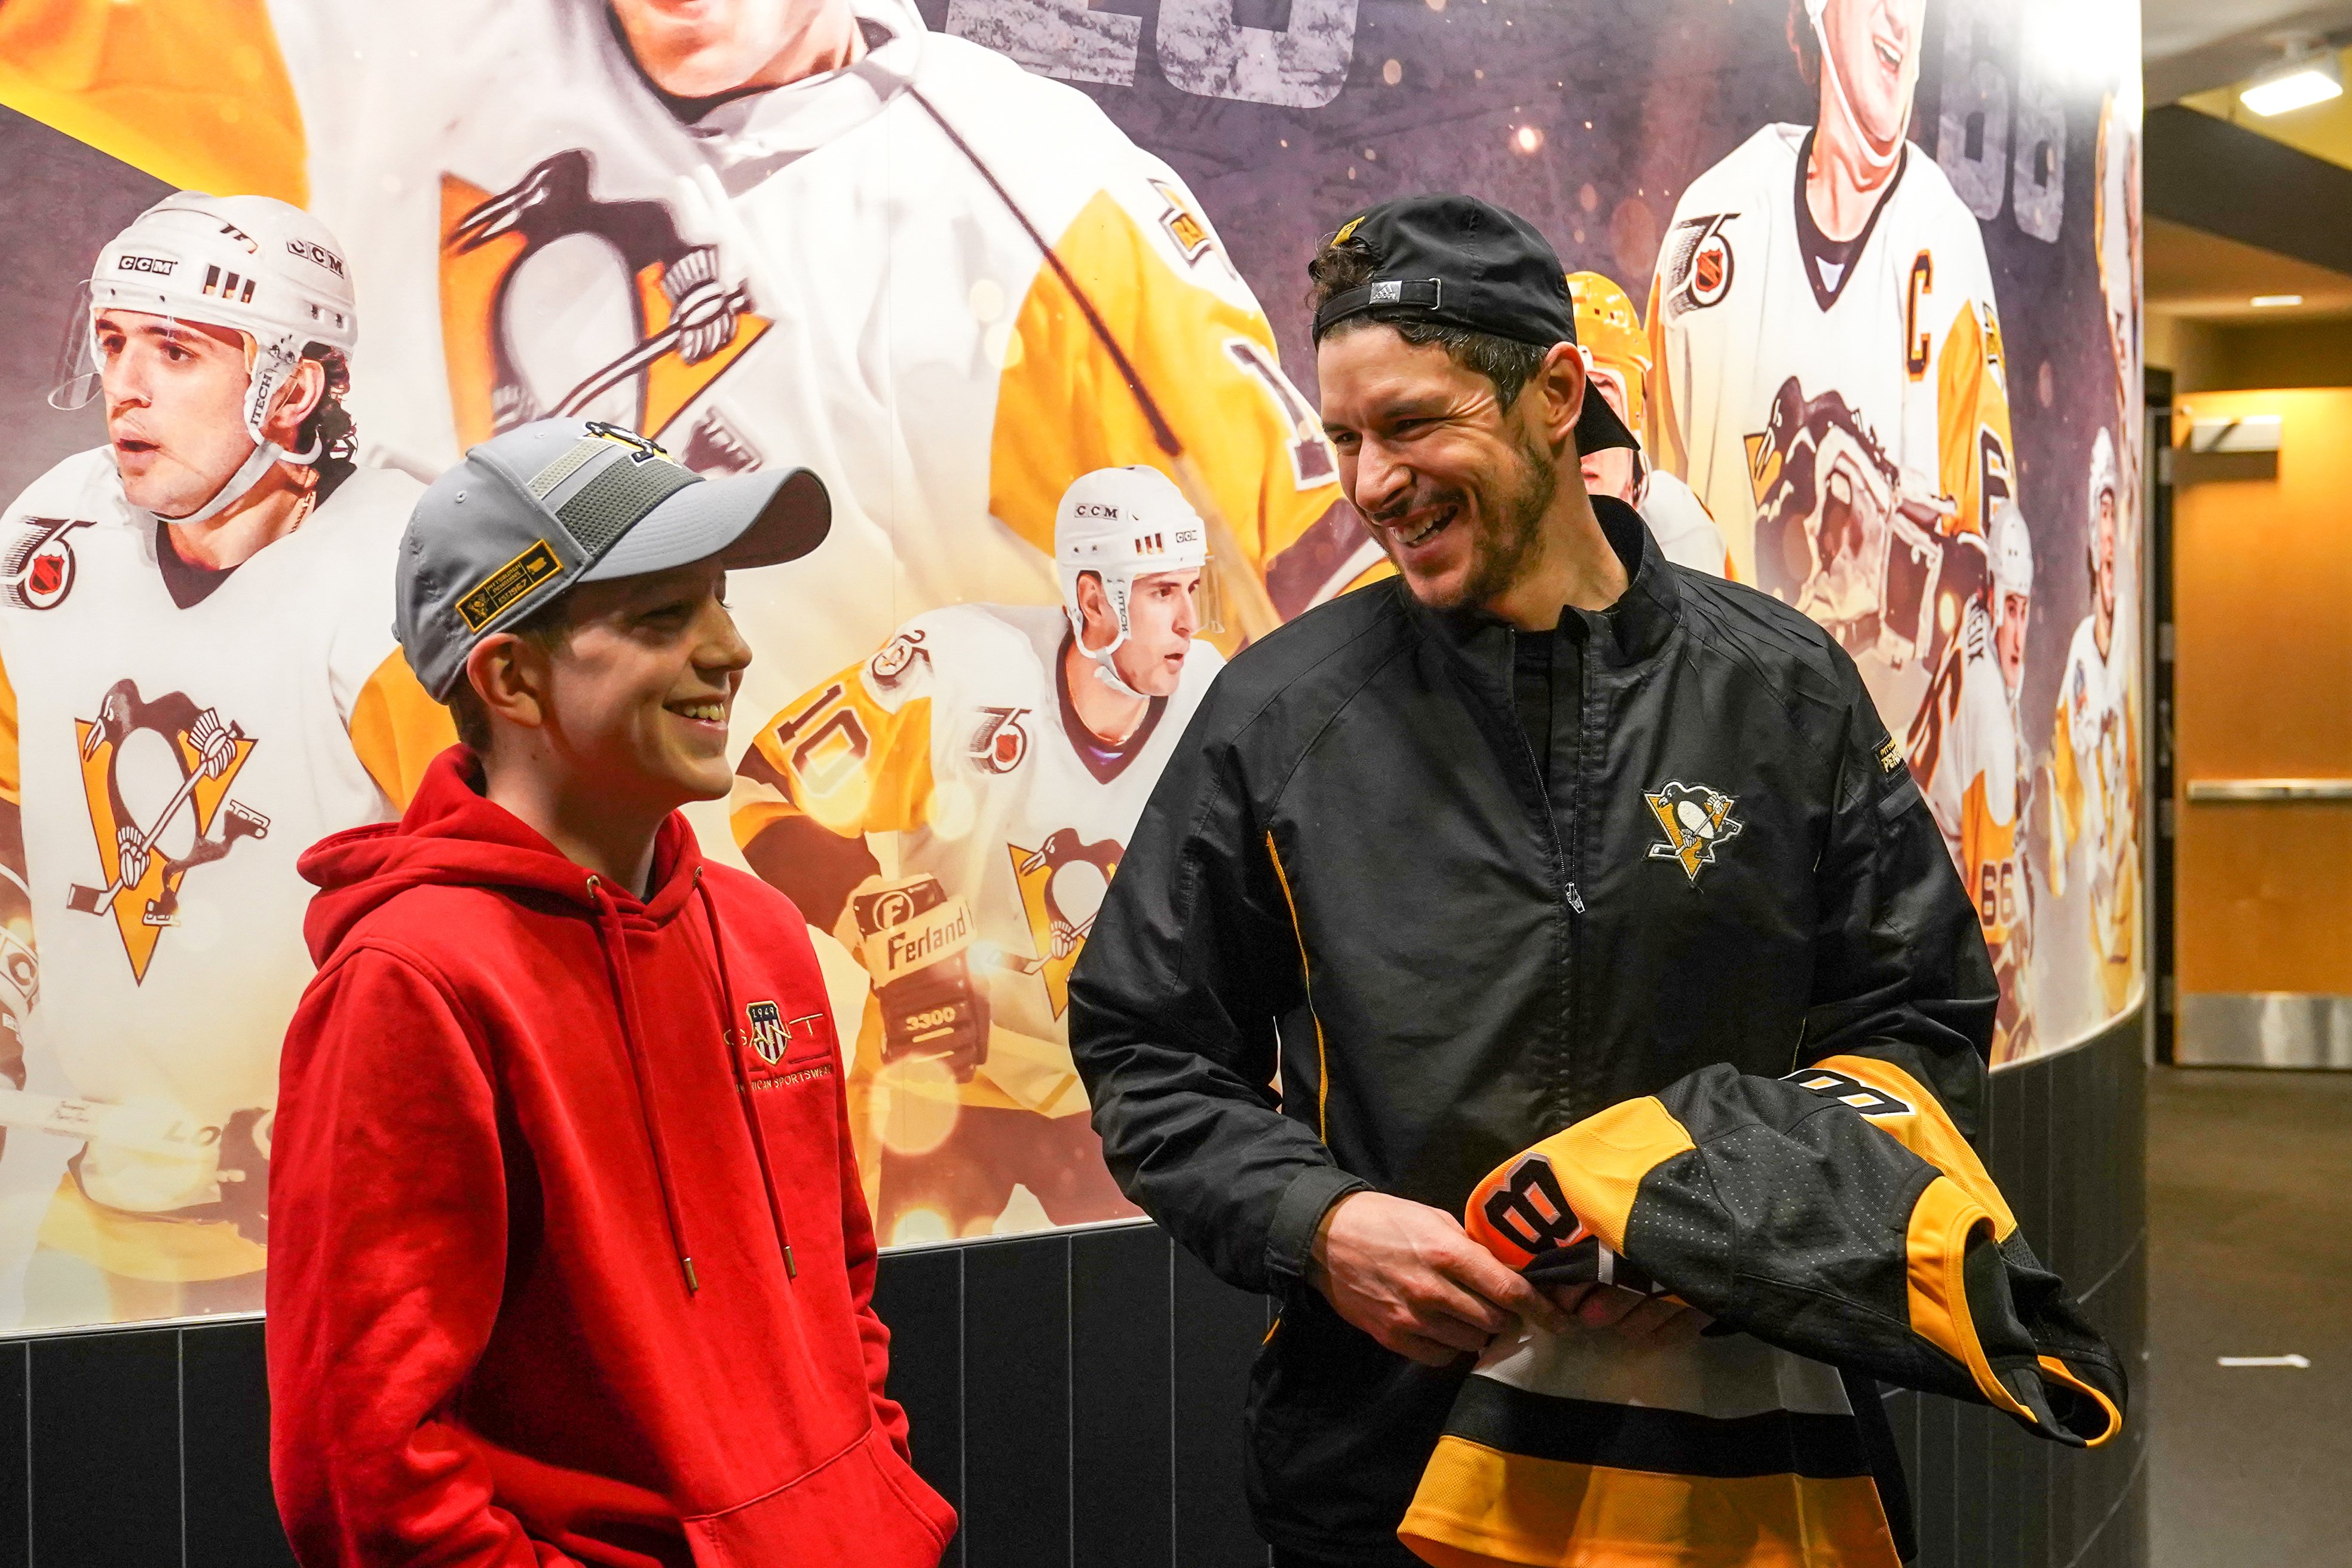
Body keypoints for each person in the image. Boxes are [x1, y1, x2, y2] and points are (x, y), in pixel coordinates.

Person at [1070, 194, 2001, 1566]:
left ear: (1554, 392)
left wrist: (1739, 1216)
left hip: (1732, 1465)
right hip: (1385, 1461)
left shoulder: (1780, 688)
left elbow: (1917, 1020)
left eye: (1414, 423)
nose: (1372, 480)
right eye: (1345, 439)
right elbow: (1145, 1043)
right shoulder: (1278, 713)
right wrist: (1316, 1221)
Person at [4, 0, 1366, 728]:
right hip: (414, 920)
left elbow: (1331, 668)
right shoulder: (393, 40)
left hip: (798, 1016)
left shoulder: (1039, 218)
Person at [268, 418, 956, 1566]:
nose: (730, 649)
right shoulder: (412, 982)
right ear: (510, 674)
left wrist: (871, 1492)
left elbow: (841, 1293)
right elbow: (363, 1465)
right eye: (660, 616)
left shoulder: (763, 933)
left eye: (722, 602)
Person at [0, 192, 449, 1325]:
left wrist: (361, 1095)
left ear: (292, 386)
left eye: (177, 349)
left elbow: (497, 884)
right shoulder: (53, 529)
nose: (126, 385)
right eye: (112, 341)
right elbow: (7, 786)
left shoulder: (403, 570)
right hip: (91, 1187)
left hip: (336, 1209)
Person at [731, 464, 1221, 1244]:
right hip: (946, 1079)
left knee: (1143, 1322)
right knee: (901, 1331)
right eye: (1162, 592)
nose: (1191, 621)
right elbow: (768, 790)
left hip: (1115, 1082)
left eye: (1195, 589)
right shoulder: (959, 666)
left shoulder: (1212, 697)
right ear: (1095, 598)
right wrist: (890, 937)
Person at [1649, 0, 2014, 711]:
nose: (1898, 20)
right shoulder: (1710, 220)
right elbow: (1658, 501)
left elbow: (1980, 553)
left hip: (1880, 755)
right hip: (1722, 732)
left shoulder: (1946, 236)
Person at [1907, 501, 2038, 1062]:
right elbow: (1994, 931)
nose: (2018, 630)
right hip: (1934, 937)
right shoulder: (1992, 734)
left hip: (1907, 898)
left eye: (2025, 607)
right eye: (2009, 606)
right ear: (1990, 597)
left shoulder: (1971, 624)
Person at [2048, 429, 2139, 1019]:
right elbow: (2064, 776)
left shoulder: (2129, 631)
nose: (2107, 538)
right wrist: (2059, 858)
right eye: (2099, 518)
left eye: (2115, 516)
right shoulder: (2081, 652)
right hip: (2096, 895)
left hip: (2126, 892)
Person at [1563, 270, 1728, 577]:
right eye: (1561, 405)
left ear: (1635, 413)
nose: (1583, 435)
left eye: (1603, 404)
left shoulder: (1682, 533)